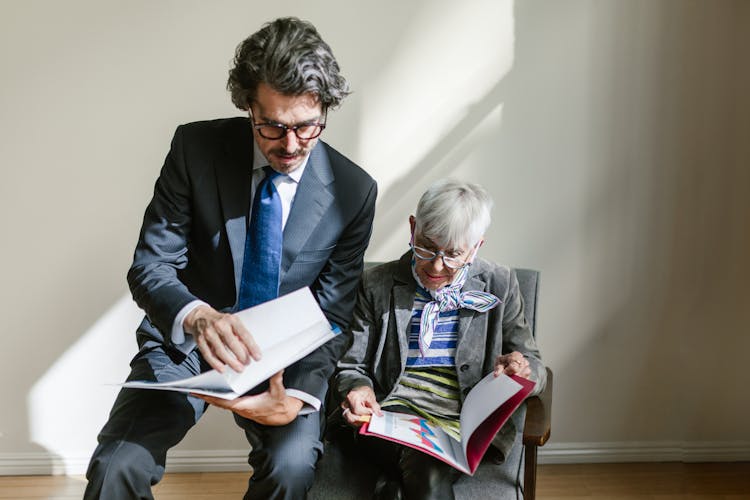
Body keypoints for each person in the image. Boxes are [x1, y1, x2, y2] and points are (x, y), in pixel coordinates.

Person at [84, 17, 377, 500]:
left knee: (290, 467)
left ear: (325, 108)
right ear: (247, 106)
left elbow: (333, 313)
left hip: (287, 360)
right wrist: (198, 317)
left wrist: (299, 397)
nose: (289, 146)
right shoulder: (194, 150)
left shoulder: (353, 191)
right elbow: (151, 265)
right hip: (187, 347)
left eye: (307, 127)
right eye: (273, 126)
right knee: (117, 465)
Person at [332, 179, 546, 500]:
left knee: (410, 480)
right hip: (387, 419)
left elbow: (536, 366)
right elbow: (351, 365)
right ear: (412, 227)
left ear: (476, 248)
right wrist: (357, 388)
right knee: (427, 472)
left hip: (459, 427)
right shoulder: (376, 284)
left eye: (453, 254)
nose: (436, 265)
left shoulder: (500, 284)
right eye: (427, 247)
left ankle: (390, 489)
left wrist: (523, 369)